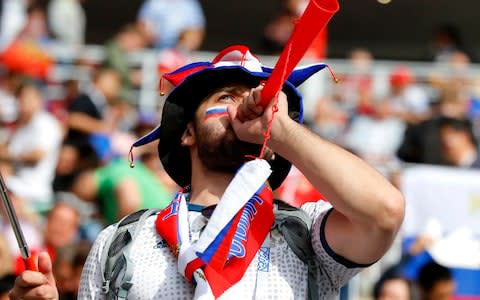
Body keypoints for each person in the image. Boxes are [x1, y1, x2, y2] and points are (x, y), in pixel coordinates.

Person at [9, 45, 405, 299]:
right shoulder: (121, 242)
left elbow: (384, 211)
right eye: (225, 98)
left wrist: (281, 129)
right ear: (186, 133)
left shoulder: (307, 234)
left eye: (257, 99)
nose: (244, 107)